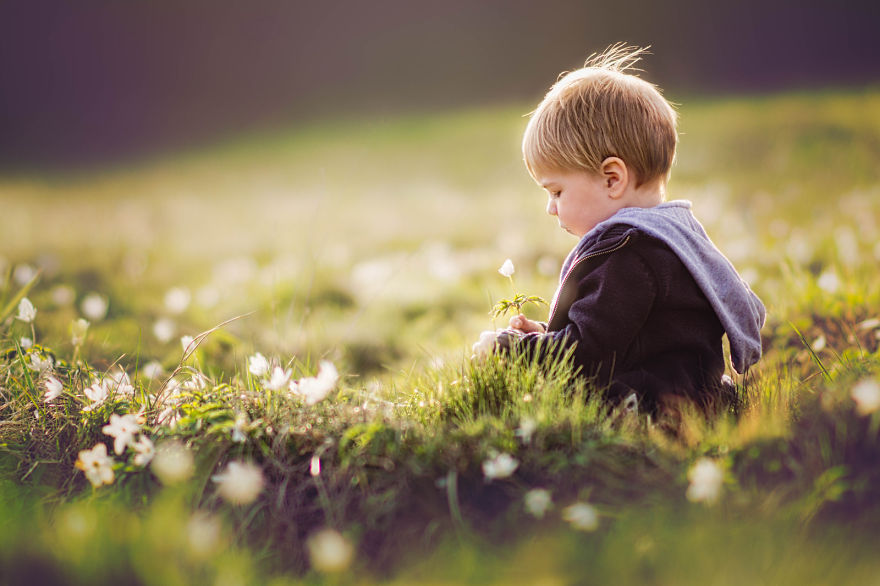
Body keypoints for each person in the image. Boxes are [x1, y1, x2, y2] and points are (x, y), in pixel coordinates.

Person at [490, 44, 765, 415]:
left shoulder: (627, 255)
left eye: (556, 190)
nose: (550, 207)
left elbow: (583, 358)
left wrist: (512, 349)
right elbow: (620, 341)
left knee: (559, 405)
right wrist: (545, 336)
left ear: (612, 179)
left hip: (651, 407)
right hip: (691, 394)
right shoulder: (671, 236)